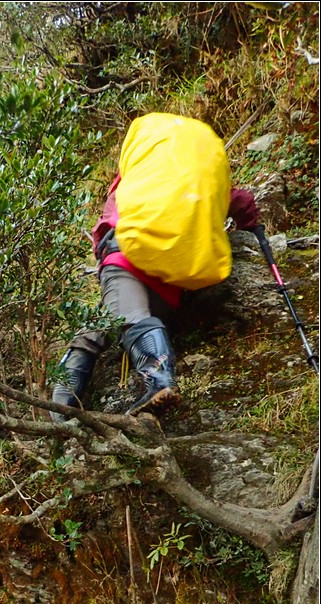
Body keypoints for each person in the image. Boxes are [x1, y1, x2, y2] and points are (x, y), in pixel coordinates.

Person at [51, 113, 260, 422]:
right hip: (171, 280)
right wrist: (250, 225)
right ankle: (61, 409)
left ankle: (157, 380)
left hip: (126, 259)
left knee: (126, 316)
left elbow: (110, 221)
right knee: (98, 325)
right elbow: (241, 201)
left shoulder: (139, 179)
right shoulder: (199, 184)